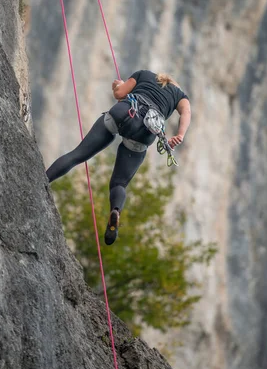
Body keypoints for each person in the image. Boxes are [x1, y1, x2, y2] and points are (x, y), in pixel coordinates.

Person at [46, 70, 191, 245]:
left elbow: (120, 94)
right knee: (119, 183)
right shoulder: (179, 95)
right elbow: (186, 113)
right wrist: (180, 135)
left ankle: (43, 180)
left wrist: (117, 86)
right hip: (146, 131)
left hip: (125, 112)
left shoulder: (144, 75)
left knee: (77, 155)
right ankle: (115, 210)